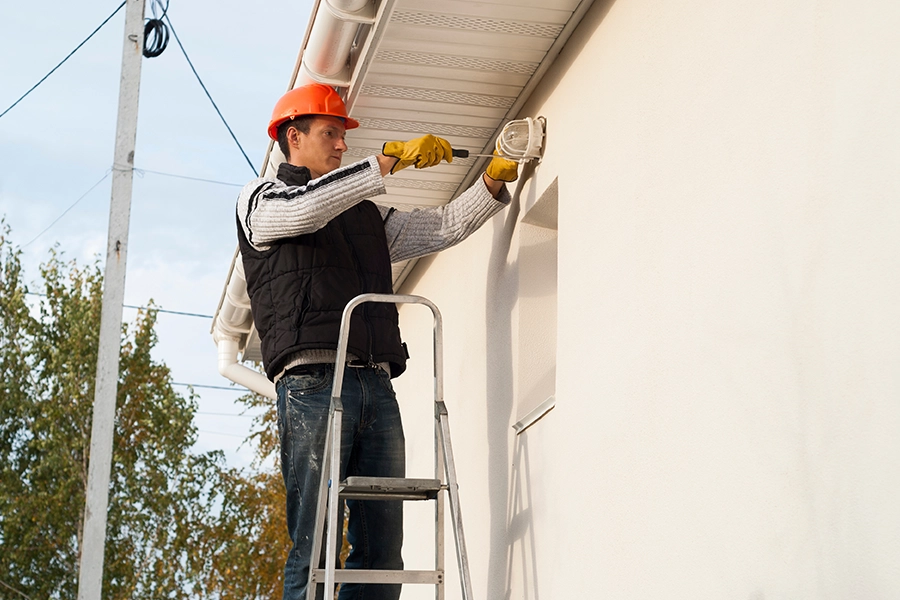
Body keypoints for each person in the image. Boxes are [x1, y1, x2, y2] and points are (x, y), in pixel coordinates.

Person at [235, 83, 518, 600]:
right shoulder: (260, 201)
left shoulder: (362, 214)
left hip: (376, 385)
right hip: (312, 384)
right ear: (292, 137)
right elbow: (305, 211)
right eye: (330, 134)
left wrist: (493, 181)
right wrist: (383, 165)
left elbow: (442, 226)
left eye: (344, 137)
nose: (342, 145)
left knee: (383, 551)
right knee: (315, 547)